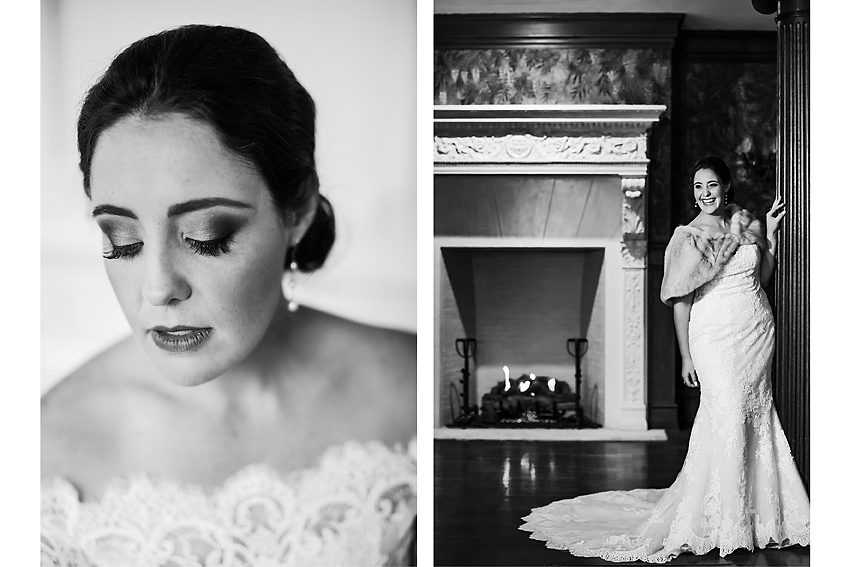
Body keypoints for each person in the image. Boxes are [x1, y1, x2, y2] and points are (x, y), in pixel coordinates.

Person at [40, 25, 416, 567]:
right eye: (121, 240)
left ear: (298, 210)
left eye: (206, 237)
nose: (159, 288)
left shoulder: (407, 389)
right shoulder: (44, 457)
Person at [519, 156, 810, 562]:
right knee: (725, 417)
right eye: (697, 187)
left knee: (754, 418)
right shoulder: (686, 238)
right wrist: (686, 357)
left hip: (756, 334)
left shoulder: (745, 225)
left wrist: (772, 239)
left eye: (711, 185)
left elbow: (760, 278)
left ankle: (759, 514)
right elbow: (679, 303)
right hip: (714, 338)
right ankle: (728, 522)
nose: (704, 194)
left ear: (726, 186)